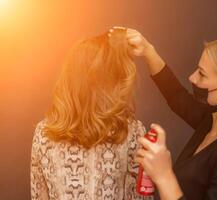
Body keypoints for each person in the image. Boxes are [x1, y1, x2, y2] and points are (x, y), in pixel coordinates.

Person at [111, 27, 217, 200]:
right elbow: (176, 95)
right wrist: (147, 50)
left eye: (202, 75)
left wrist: (164, 176)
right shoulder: (212, 121)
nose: (192, 78)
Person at [30, 28, 154, 200]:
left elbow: (39, 196)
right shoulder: (131, 131)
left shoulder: (43, 133)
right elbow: (139, 198)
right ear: (109, 77)